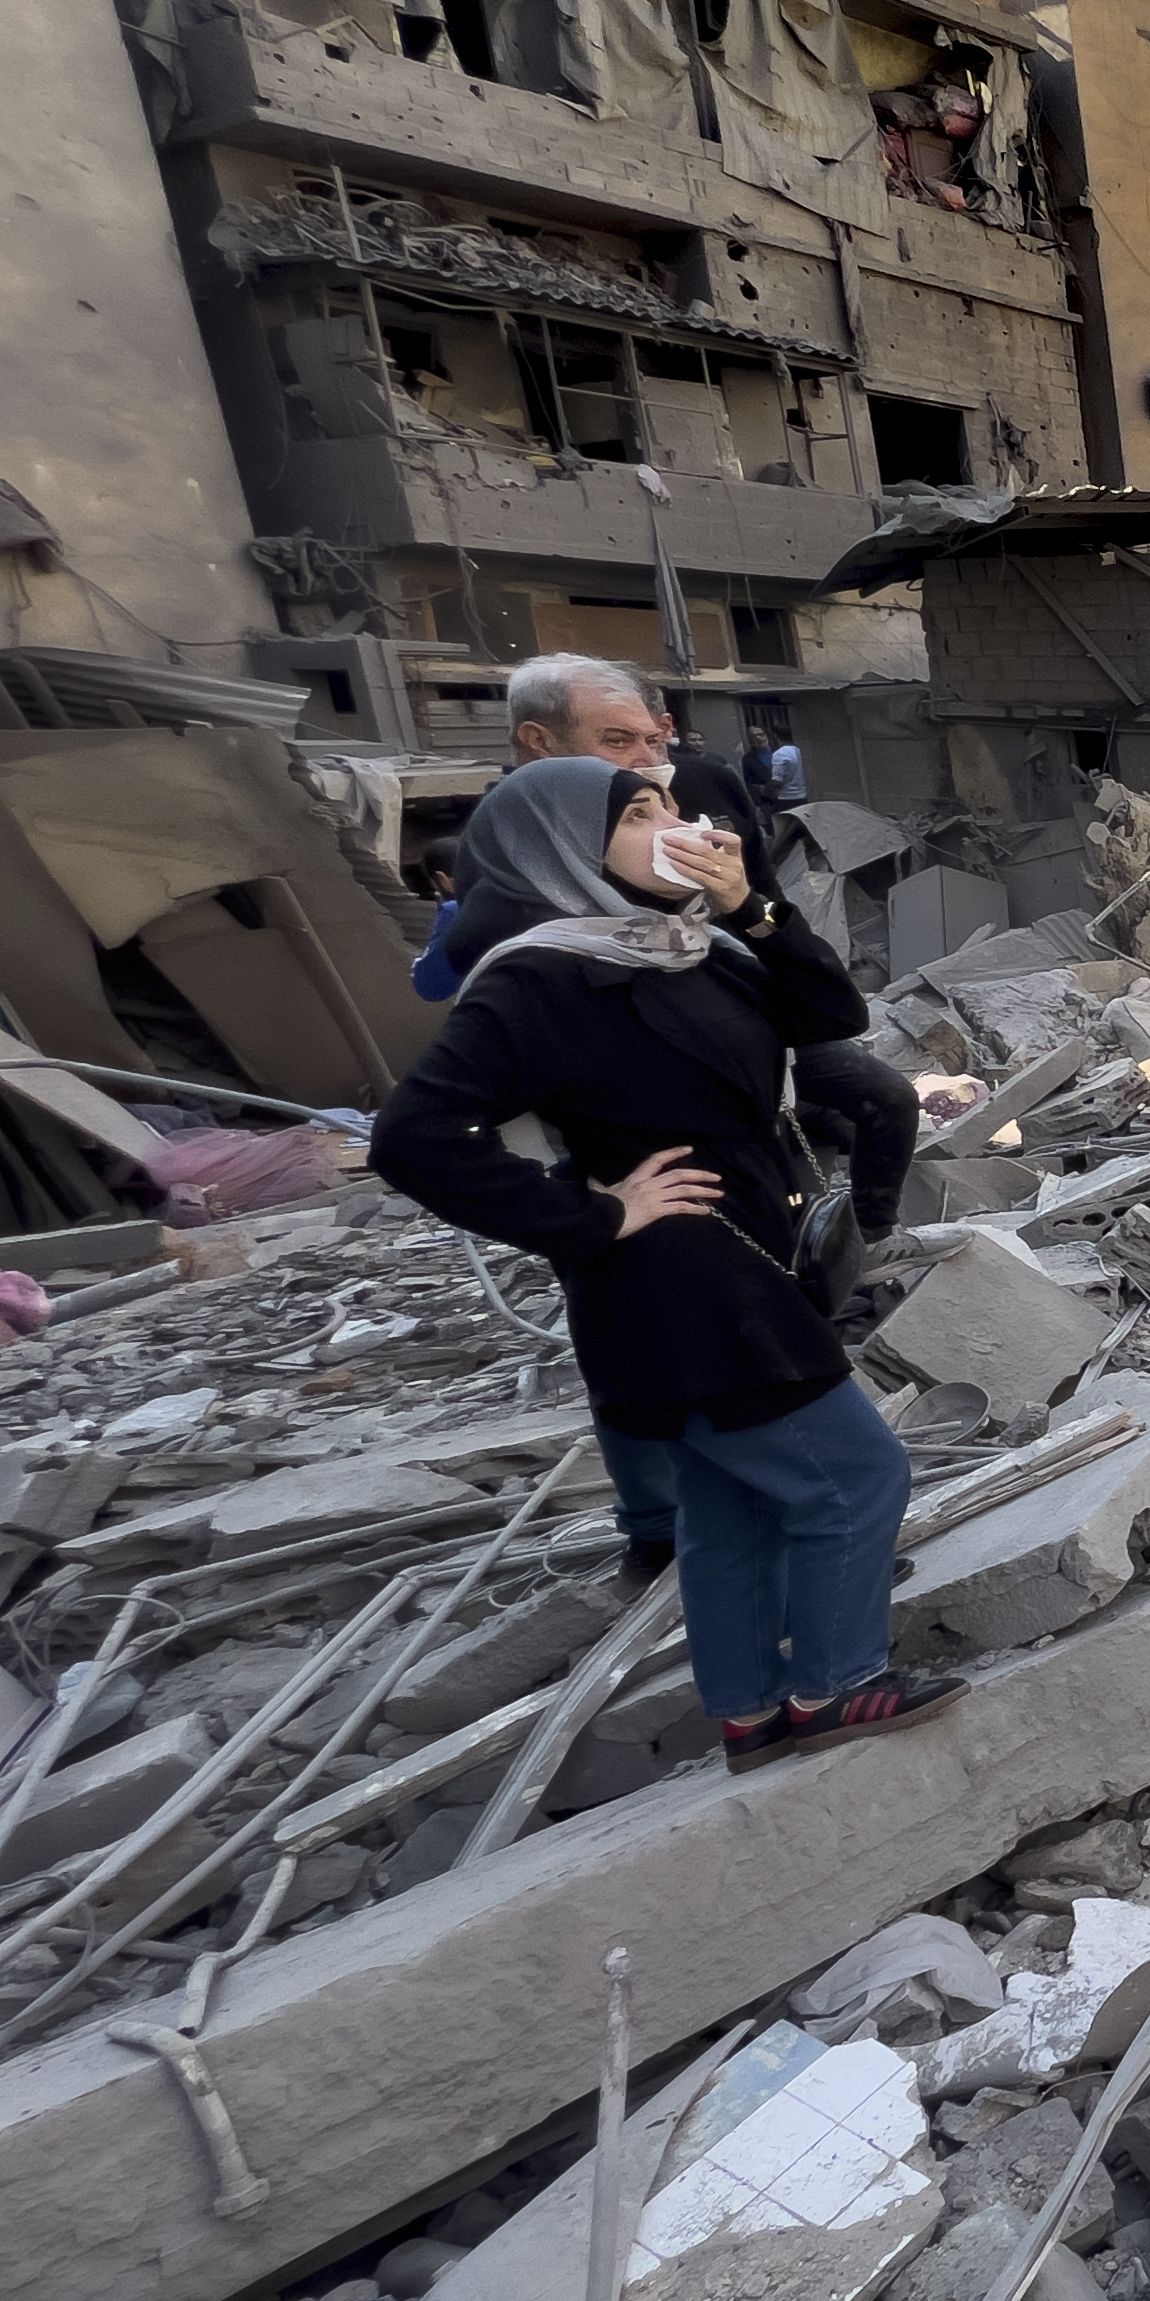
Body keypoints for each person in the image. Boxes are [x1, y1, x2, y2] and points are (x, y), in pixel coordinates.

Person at [371, 757, 965, 1771]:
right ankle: (834, 1684)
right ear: (562, 848)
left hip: (746, 1253)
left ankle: (749, 1712)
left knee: (730, 1504)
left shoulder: (688, 944)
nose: (676, 824)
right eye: (639, 813)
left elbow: (830, 1019)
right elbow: (413, 1137)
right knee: (858, 1474)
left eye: (670, 805)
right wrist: (595, 1214)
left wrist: (753, 903)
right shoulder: (538, 973)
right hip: (680, 1279)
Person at [414, 656, 921, 1583]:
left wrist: (745, 917)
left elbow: (786, 957)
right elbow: (441, 1093)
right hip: (639, 1104)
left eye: (655, 739)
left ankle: (830, 1297)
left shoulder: (699, 795)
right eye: (622, 748)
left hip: (735, 1032)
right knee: (645, 1303)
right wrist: (589, 1206)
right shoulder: (528, 865)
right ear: (541, 745)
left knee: (868, 1114)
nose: (657, 770)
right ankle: (666, 1512)